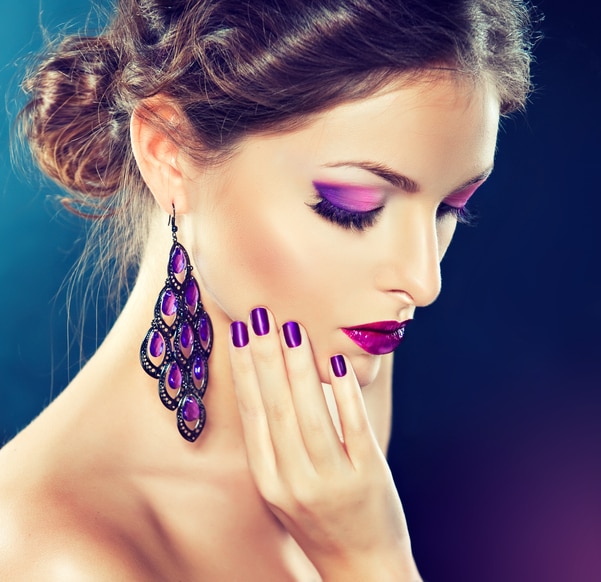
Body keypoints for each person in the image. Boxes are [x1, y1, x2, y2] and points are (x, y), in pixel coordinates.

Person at [0, 0, 534, 579]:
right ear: (168, 154)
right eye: (352, 207)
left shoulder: (343, 389)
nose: (422, 280)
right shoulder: (60, 553)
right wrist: (370, 561)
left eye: (450, 208)